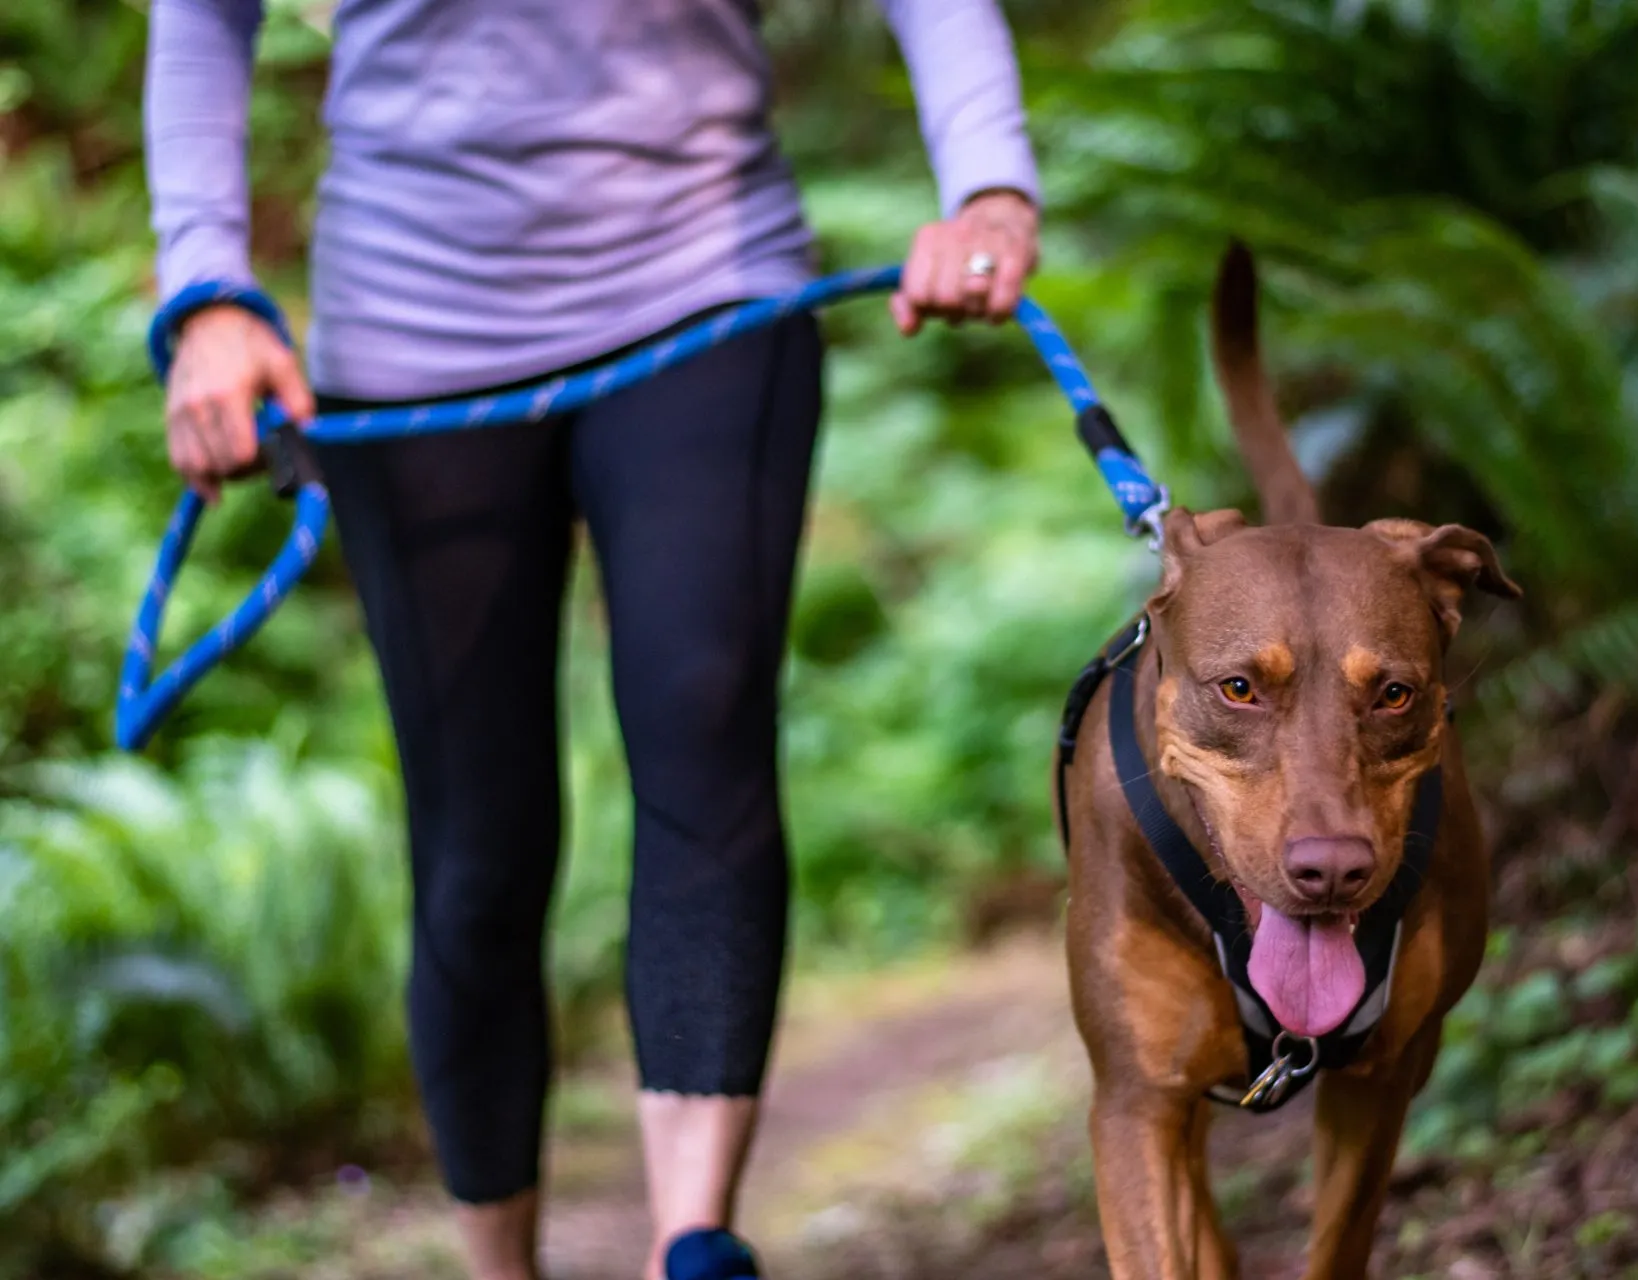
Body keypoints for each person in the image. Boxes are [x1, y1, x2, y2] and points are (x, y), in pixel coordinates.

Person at [141, 4, 1041, 1278]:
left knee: (705, 712)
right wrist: (205, 291)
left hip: (705, 285)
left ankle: (694, 1239)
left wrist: (990, 182)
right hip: (413, 335)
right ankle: (501, 1261)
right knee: (479, 834)